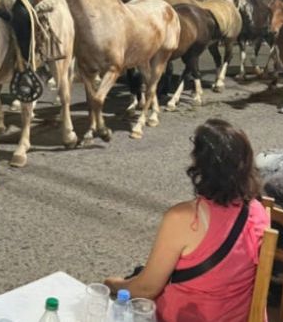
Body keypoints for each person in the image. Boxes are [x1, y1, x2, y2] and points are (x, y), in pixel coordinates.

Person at [104, 119, 268, 322]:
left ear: (200, 163)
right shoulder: (258, 210)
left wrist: (115, 284)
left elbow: (146, 289)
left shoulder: (184, 218)